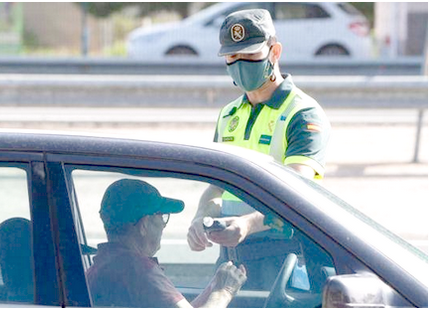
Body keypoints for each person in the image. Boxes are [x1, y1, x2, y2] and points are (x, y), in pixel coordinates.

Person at [187, 9, 331, 290]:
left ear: (274, 51)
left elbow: (297, 194)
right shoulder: (229, 114)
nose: (240, 64)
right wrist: (200, 218)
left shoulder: (303, 114)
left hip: (285, 263)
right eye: (232, 57)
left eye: (251, 56)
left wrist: (248, 224)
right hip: (232, 261)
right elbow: (216, 188)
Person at [86, 179, 247, 308]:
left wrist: (214, 286)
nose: (163, 225)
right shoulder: (140, 272)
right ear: (144, 225)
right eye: (162, 217)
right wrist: (224, 292)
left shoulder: (106, 265)